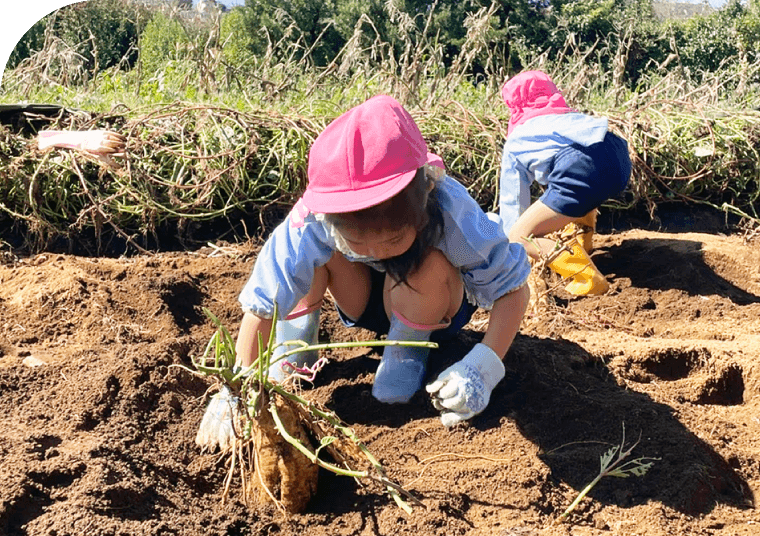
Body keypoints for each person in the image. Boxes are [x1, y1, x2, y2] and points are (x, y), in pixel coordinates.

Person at [196, 95, 530, 450]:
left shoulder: (451, 212)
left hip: (434, 306)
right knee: (305, 263)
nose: (374, 253)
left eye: (392, 240)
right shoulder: (313, 218)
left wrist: (482, 367)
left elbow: (513, 289)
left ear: (425, 194)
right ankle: (296, 347)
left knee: (429, 264)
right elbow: (264, 304)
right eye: (356, 242)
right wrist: (240, 388)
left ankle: (406, 352)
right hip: (366, 300)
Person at [498, 70, 632, 296]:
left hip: (579, 169)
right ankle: (582, 243)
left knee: (519, 235)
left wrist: (515, 247)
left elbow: (513, 204)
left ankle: (587, 279)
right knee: (577, 193)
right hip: (618, 157)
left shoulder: (517, 139)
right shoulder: (572, 118)